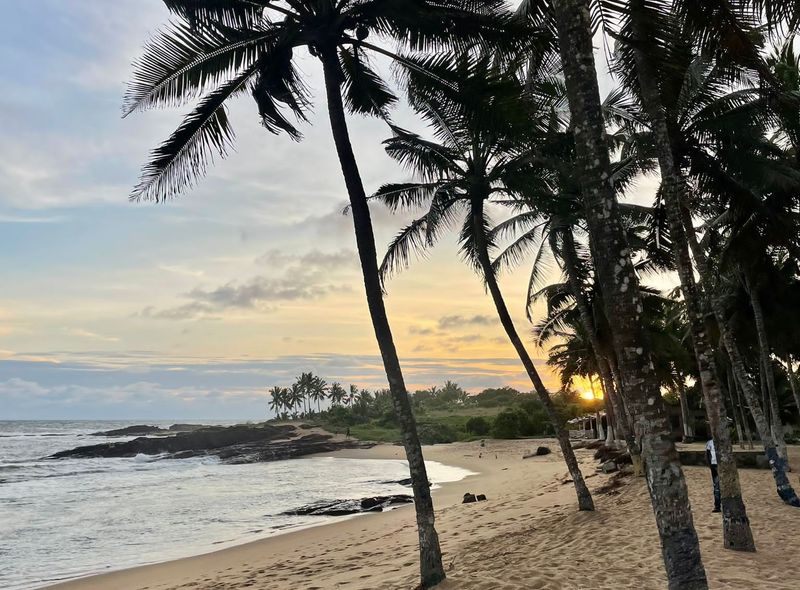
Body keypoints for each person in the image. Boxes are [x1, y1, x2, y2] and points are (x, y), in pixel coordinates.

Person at [706, 435, 721, 513]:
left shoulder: (723, 441)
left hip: (722, 465)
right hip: (714, 466)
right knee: (716, 487)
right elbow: (708, 455)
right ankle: (717, 506)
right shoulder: (709, 443)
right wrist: (710, 465)